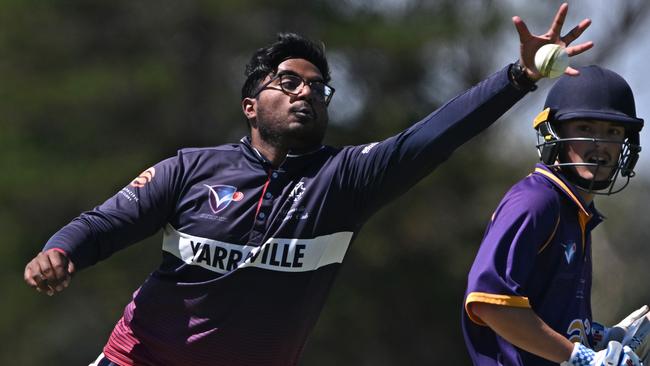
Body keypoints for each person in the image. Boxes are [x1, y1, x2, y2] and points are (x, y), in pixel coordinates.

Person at [25, 4, 593, 366]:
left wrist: (516, 77)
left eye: (317, 87)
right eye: (288, 81)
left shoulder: (343, 180)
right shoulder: (191, 169)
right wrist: (60, 249)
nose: (305, 92)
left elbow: (433, 137)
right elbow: (105, 223)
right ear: (251, 105)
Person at [462, 65, 647, 366]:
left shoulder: (575, 213)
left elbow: (542, 314)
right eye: (585, 129)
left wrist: (597, 337)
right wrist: (580, 357)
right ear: (552, 134)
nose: (599, 145)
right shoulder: (536, 202)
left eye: (612, 132)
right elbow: (490, 303)